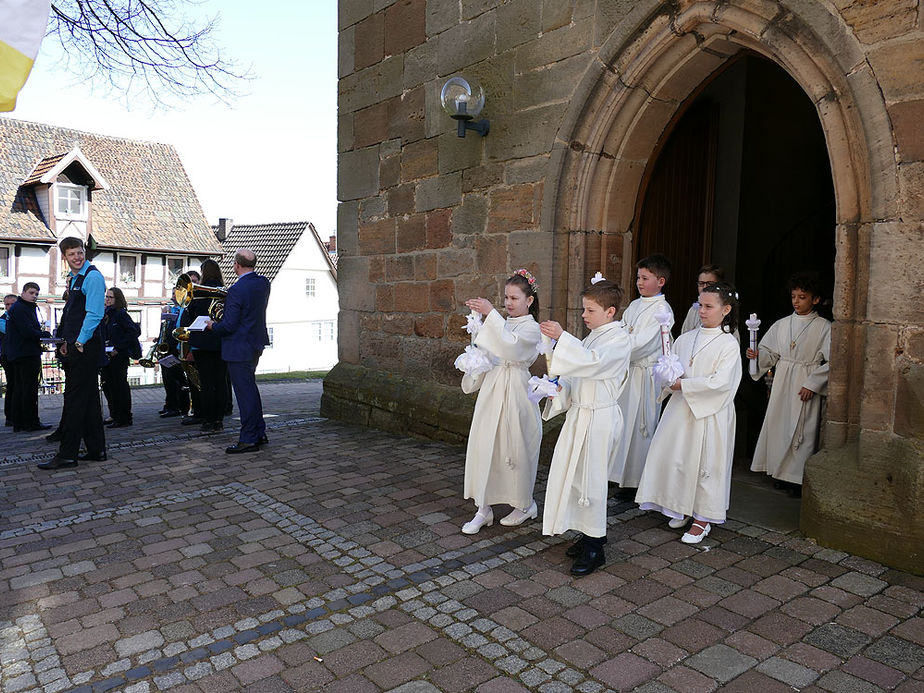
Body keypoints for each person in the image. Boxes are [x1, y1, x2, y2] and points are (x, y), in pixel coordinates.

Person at [635, 282, 742, 543]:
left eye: (709, 306)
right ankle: (679, 505)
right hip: (681, 410)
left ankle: (703, 517)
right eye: (699, 305)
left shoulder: (728, 344)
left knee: (706, 464)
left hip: (709, 414)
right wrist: (667, 375)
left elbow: (722, 383)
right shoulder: (685, 338)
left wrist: (684, 384)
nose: (702, 311)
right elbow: (668, 367)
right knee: (680, 460)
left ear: (726, 309)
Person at [539, 276, 632, 576]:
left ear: (610, 312)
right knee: (577, 477)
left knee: (591, 480)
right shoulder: (593, 336)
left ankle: (596, 547)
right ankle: (586, 532)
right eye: (583, 309)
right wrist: (557, 387)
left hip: (599, 418)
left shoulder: (619, 340)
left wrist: (563, 338)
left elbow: (592, 363)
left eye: (590, 310)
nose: (583, 315)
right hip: (581, 415)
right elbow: (578, 372)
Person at [459, 270, 542, 534]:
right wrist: (475, 356)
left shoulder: (531, 328)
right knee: (485, 445)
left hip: (516, 391)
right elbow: (489, 349)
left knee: (515, 447)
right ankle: (483, 508)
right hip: (493, 387)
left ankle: (525, 504)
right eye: (506, 297)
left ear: (529, 300)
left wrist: (491, 313)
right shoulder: (500, 323)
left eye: (514, 298)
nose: (508, 303)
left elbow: (510, 347)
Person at [747, 272, 831, 496]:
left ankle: (796, 478)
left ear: (815, 299)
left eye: (802, 297)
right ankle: (778, 472)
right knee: (779, 424)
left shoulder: (824, 326)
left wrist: (812, 383)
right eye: (794, 296)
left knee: (801, 428)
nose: (796, 301)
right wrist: (755, 355)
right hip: (783, 379)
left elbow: (834, 362)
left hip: (805, 380)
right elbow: (768, 352)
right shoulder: (782, 324)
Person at [38, 237, 107, 470]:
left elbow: (95, 314)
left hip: (85, 346)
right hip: (77, 344)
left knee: (75, 400)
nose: (77, 257)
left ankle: (67, 454)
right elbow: (71, 314)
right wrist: (66, 341)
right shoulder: (76, 278)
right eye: (71, 254)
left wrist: (79, 341)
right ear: (65, 258)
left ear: (84, 252)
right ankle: (97, 450)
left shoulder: (93, 277)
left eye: (79, 252)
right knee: (87, 399)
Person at [609, 253, 674, 493]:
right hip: (628, 375)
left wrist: (615, 346)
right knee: (623, 426)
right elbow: (622, 331)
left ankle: (635, 483)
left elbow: (642, 343)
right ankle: (617, 476)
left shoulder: (663, 310)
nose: (639, 282)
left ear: (661, 282)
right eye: (638, 277)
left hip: (644, 377)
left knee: (640, 430)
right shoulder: (635, 305)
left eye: (645, 278)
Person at [207, 249, 270, 453]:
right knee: (250, 389)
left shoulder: (236, 290)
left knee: (244, 394)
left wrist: (212, 325)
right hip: (255, 343)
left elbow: (229, 325)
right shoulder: (263, 283)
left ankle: (249, 438)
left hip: (238, 346)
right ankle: (259, 432)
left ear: (236, 265)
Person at [5, 283, 52, 432]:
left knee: (21, 388)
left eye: (36, 294)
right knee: (28, 389)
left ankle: (20, 422)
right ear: (23, 292)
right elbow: (27, 331)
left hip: (22, 353)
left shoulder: (22, 308)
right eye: (31, 293)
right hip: (25, 354)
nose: (34, 296)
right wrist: (44, 334)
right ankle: (29, 422)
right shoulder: (21, 308)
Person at [187, 259, 227, 433]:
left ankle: (208, 420)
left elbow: (191, 315)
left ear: (204, 273)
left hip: (203, 343)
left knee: (206, 383)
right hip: (221, 341)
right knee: (221, 382)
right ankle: (219, 419)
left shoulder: (199, 293)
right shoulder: (225, 291)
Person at [100, 287, 141, 427]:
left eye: (110, 297)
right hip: (107, 355)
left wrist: (118, 347)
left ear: (117, 299)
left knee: (119, 387)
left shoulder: (120, 314)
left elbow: (133, 331)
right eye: (106, 297)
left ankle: (124, 417)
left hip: (118, 355)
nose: (107, 300)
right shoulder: (106, 314)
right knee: (108, 386)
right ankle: (114, 414)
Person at [1, 294, 18, 427]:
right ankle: (10, 416)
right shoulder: (2, 320)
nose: (9, 307)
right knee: (12, 384)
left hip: (17, 355)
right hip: (7, 356)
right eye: (7, 304)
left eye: (12, 304)